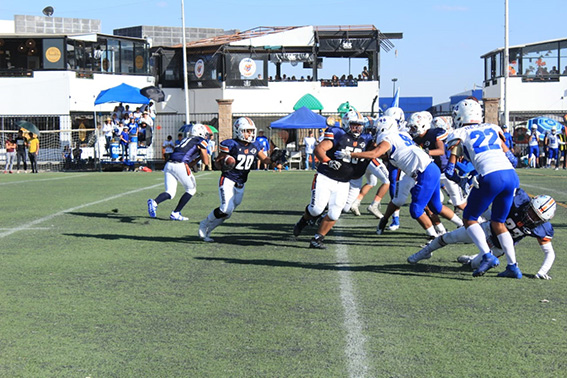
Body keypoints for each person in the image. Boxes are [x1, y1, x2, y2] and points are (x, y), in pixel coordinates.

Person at [340, 115, 462, 239]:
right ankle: (463, 226)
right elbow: (391, 155)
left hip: (424, 171)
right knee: (436, 206)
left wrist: (352, 154)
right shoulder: (403, 136)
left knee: (416, 210)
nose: (375, 130)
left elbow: (375, 153)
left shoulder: (388, 138)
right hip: (431, 168)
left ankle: (435, 237)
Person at [408, 189, 557, 280]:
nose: (531, 217)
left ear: (544, 220)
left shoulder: (543, 228)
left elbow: (549, 253)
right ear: (530, 203)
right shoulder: (519, 199)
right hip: (487, 229)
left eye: (537, 217)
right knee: (450, 237)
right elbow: (497, 196)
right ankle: (424, 252)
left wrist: (542, 272)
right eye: (532, 211)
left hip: (499, 247)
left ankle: (471, 258)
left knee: (472, 266)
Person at [445, 98, 520, 278]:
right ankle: (513, 267)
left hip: (490, 175)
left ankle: (487, 255)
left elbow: (449, 169)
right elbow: (513, 159)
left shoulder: (458, 133)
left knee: (469, 218)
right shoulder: (494, 128)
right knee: (498, 222)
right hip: (511, 176)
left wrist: (461, 179)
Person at [293, 109, 372, 249]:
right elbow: (319, 150)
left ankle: (317, 239)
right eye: (354, 124)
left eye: (360, 125)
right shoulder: (338, 134)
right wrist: (328, 161)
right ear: (347, 123)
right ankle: (303, 221)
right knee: (317, 209)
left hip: (344, 182)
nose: (357, 128)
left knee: (335, 213)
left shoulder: (365, 139)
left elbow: (378, 149)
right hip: (326, 177)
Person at [198, 117, 279, 242]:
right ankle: (204, 223)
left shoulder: (255, 145)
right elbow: (218, 162)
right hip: (228, 179)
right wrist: (225, 163)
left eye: (251, 131)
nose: (250, 134)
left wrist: (274, 160)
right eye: (247, 131)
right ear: (238, 131)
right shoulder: (231, 144)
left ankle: (209, 231)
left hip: (241, 183)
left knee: (228, 214)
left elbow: (265, 160)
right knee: (225, 209)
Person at [148, 124, 209, 221]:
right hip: (180, 165)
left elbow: (189, 162)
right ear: (201, 132)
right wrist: (203, 156)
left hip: (169, 165)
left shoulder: (185, 140)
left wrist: (198, 158)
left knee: (170, 192)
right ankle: (176, 213)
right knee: (191, 190)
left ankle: (154, 202)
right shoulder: (200, 140)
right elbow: (206, 162)